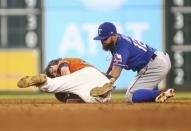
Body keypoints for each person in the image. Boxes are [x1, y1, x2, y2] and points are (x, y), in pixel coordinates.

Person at [93, 22, 175, 103]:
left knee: (130, 96)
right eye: (101, 39)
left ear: (114, 36)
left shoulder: (121, 48)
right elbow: (114, 62)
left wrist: (106, 84)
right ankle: (158, 95)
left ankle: (161, 92)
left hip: (154, 66)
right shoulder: (118, 40)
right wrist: (107, 76)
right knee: (146, 95)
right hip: (159, 60)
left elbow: (115, 74)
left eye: (105, 38)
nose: (102, 41)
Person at [17, 58, 113, 103]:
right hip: (99, 78)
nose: (54, 74)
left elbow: (64, 71)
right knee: (95, 99)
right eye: (52, 74)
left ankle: (43, 82)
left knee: (52, 85)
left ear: (56, 63)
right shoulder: (84, 64)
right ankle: (103, 95)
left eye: (52, 70)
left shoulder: (63, 62)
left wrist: (66, 86)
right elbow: (110, 78)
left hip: (82, 75)